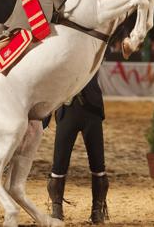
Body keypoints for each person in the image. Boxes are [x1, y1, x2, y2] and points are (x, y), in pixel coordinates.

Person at [47, 74, 109, 224]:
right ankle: (56, 208)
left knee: (98, 163)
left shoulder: (95, 49)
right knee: (59, 163)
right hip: (67, 109)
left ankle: (97, 209)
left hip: (92, 108)